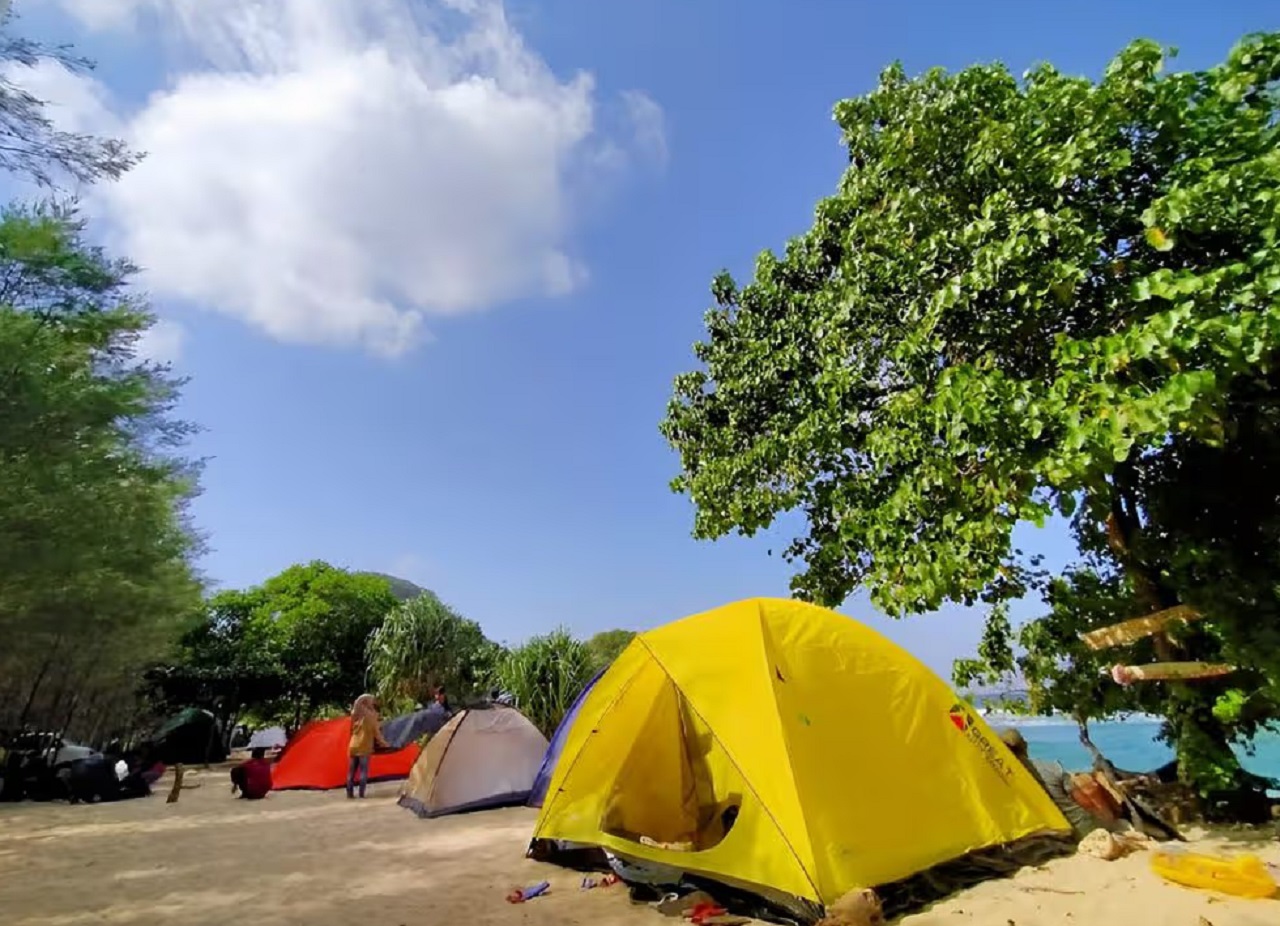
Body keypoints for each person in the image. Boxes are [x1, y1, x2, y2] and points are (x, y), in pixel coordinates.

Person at [999, 728, 1128, 840]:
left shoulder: (1002, 779)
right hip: (1080, 829)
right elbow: (1083, 801)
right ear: (1025, 746)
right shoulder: (1049, 768)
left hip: (1043, 833)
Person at [347, 694, 389, 799]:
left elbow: (357, 703)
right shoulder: (372, 718)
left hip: (353, 746)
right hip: (364, 748)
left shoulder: (356, 715)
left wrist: (365, 698)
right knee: (363, 772)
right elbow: (378, 735)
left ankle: (349, 794)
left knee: (351, 773)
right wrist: (386, 744)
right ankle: (361, 795)